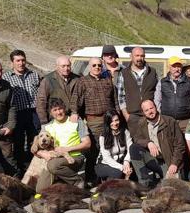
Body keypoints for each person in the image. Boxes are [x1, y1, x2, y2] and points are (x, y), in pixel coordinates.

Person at [73, 56, 120, 186]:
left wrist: (118, 115)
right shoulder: (83, 81)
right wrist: (75, 113)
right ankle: (91, 178)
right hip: (94, 120)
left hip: (109, 119)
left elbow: (115, 100)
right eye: (94, 65)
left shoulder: (107, 80)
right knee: (94, 150)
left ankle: (107, 176)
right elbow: (76, 100)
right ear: (89, 66)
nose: (97, 67)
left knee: (110, 146)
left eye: (99, 65)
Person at [34, 98, 90, 192]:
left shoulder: (75, 122)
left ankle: (78, 181)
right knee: (40, 190)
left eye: (60, 109)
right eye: (55, 110)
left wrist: (67, 149)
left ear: (64, 108)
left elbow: (87, 143)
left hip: (74, 158)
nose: (58, 112)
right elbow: (36, 146)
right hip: (54, 160)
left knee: (53, 165)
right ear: (51, 113)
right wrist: (42, 153)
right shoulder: (46, 127)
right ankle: (64, 182)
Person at [128, 100, 185, 188]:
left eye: (151, 108)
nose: (150, 111)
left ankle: (161, 178)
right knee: (134, 148)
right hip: (153, 159)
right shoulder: (142, 123)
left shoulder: (169, 121)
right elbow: (136, 138)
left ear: (156, 107)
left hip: (169, 162)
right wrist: (148, 143)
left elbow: (180, 145)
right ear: (143, 112)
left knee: (172, 187)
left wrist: (174, 163)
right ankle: (145, 182)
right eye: (146, 110)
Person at [2, 49, 40, 176]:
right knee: (18, 142)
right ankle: (21, 170)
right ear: (12, 62)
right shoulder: (6, 78)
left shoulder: (34, 74)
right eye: (18, 61)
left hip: (33, 112)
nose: (21, 63)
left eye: (23, 60)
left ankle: (33, 167)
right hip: (17, 113)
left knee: (34, 140)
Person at [154, 56, 190, 132]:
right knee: (168, 143)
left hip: (186, 121)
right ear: (169, 67)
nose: (176, 69)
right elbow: (157, 100)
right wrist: (160, 116)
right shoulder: (162, 82)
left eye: (178, 66)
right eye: (174, 66)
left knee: (187, 142)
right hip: (167, 121)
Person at [116, 46, 158, 121]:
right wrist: (126, 115)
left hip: (150, 114)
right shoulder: (123, 73)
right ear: (131, 57)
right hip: (132, 116)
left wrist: (156, 110)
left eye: (142, 56)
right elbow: (120, 97)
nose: (139, 58)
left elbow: (158, 93)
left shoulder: (152, 72)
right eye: (137, 55)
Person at [36, 56, 80, 125]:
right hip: (55, 119)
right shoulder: (48, 80)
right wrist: (44, 122)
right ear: (57, 67)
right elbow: (41, 102)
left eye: (68, 66)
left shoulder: (77, 79)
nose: (66, 68)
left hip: (73, 118)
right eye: (63, 66)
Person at [95, 110, 133, 181]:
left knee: (132, 170)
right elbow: (107, 158)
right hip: (104, 164)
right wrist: (122, 167)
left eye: (116, 120)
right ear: (107, 123)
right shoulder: (103, 136)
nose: (115, 123)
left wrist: (127, 161)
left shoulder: (125, 132)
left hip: (122, 161)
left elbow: (130, 148)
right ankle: (106, 184)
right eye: (111, 121)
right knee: (118, 173)